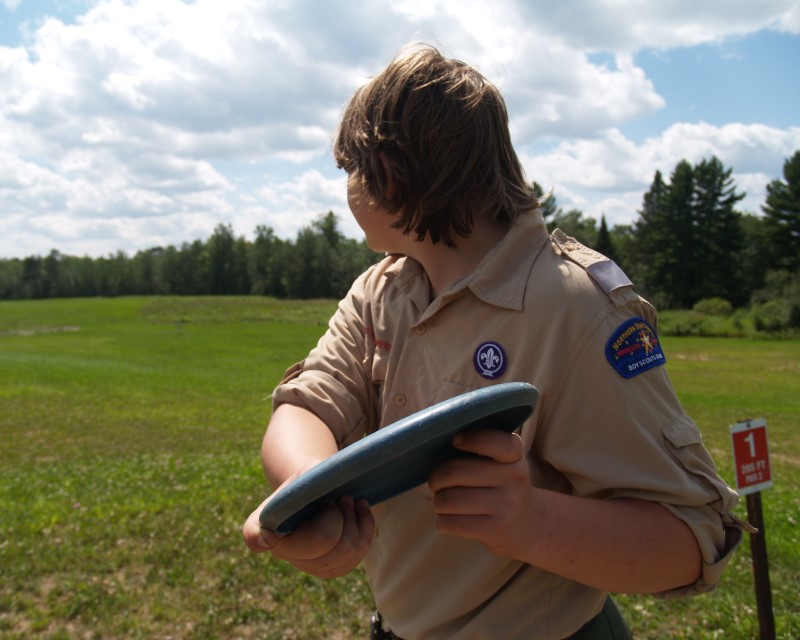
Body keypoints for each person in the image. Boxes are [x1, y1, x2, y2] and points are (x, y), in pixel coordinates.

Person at [243, 44, 750, 639]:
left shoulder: (575, 303)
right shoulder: (382, 290)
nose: (347, 189)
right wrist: (314, 494)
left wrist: (531, 520)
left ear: (387, 172)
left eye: (348, 170)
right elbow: (308, 403)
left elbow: (689, 539)